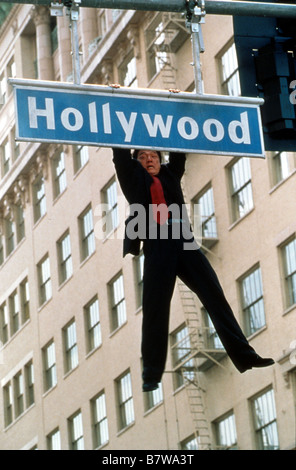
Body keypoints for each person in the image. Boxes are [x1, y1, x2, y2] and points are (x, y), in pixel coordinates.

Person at [112, 147, 274, 392]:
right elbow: (120, 156)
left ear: (161, 160)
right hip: (157, 246)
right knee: (156, 309)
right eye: (143, 157)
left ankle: (245, 356)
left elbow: (179, 150)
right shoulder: (132, 179)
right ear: (136, 164)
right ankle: (151, 374)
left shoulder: (171, 174)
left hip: (184, 243)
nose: (149, 160)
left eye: (153, 156)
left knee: (215, 296)